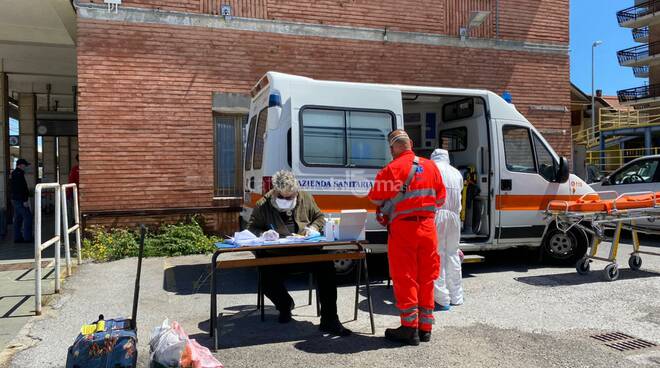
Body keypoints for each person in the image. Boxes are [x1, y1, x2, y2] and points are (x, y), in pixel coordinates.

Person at [247, 170, 351, 337]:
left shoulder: (305, 197)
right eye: (282, 197)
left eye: (290, 197)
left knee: (327, 268)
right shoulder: (263, 205)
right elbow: (251, 228)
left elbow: (319, 217)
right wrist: (263, 235)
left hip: (306, 250)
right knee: (265, 276)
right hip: (275, 255)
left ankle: (330, 320)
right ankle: (285, 305)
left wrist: (314, 228)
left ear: (296, 192)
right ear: (274, 192)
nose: (287, 201)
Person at [368, 130, 446, 345]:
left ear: (392, 148)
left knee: (405, 277)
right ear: (410, 143)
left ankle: (409, 328)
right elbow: (440, 199)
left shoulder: (391, 169)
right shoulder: (431, 166)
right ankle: (425, 328)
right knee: (427, 277)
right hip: (428, 229)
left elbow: (375, 199)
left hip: (404, 231)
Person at [430, 149, 464, 309]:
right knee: (453, 255)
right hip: (454, 218)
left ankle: (441, 298)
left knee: (437, 255)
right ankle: (456, 296)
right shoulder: (456, 173)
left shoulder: (432, 169)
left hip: (437, 215)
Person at [10, 158, 32, 243]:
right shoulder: (19, 174)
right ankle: (27, 238)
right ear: (20, 165)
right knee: (28, 217)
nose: (26, 167)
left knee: (18, 218)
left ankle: (17, 237)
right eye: (25, 165)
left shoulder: (15, 173)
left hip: (16, 199)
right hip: (20, 200)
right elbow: (21, 188)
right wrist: (25, 200)